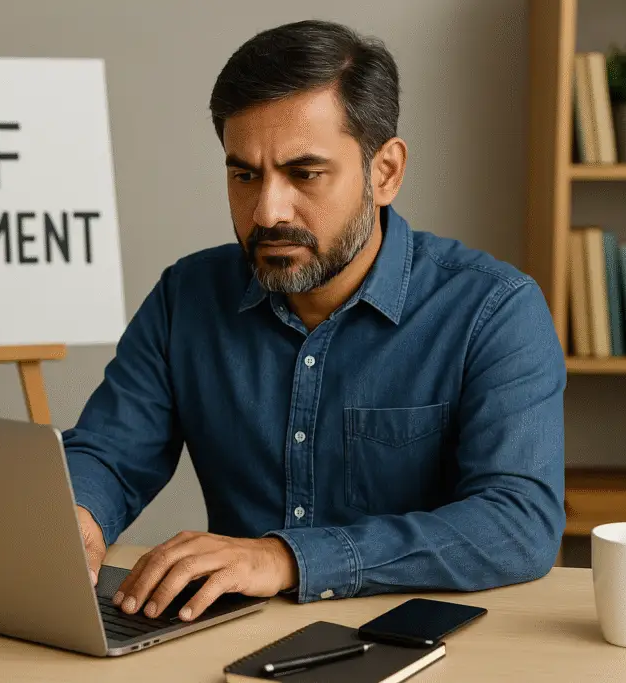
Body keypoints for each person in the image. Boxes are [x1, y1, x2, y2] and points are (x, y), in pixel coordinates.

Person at [61, 19, 566, 624]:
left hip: (424, 648)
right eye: (244, 174)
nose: (269, 211)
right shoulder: (185, 298)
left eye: (304, 174)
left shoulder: (493, 309)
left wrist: (288, 559)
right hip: (226, 641)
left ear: (385, 173)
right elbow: (110, 455)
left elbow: (517, 522)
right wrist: (77, 522)